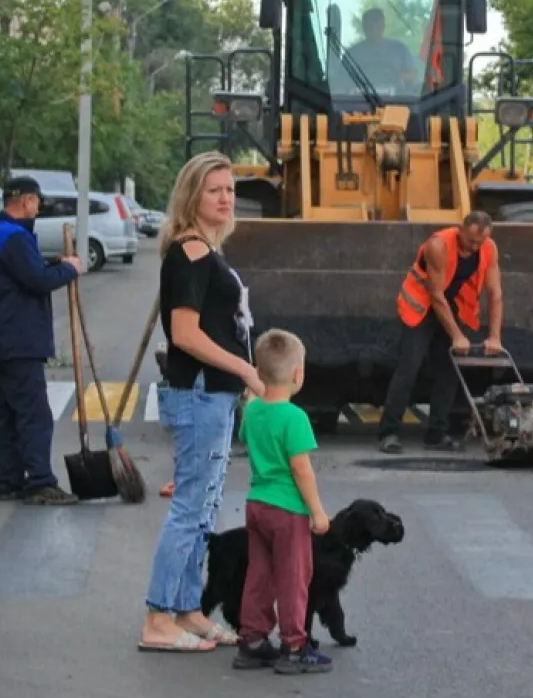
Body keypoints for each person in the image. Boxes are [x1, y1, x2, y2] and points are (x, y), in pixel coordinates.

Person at [139, 151, 266, 655]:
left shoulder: (205, 251)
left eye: (230, 190)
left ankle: (188, 607)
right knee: (191, 507)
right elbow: (186, 335)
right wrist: (246, 370)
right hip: (201, 393)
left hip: (214, 395)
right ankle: (157, 616)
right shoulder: (189, 252)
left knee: (207, 506)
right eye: (215, 189)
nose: (225, 198)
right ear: (192, 195)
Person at [231, 328, 333, 674]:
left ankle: (253, 640)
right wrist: (317, 511)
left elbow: (248, 430)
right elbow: (301, 469)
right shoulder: (295, 418)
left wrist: (253, 393)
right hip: (288, 510)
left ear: (258, 372)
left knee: (259, 574)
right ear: (298, 374)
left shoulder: (254, 412)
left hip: (256, 504)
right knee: (293, 578)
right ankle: (295, 646)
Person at [0, 176, 85, 505]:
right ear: (25, 200)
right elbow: (36, 279)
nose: (38, 208)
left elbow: (29, 269)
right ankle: (40, 480)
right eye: (37, 201)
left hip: (1, 339)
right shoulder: (14, 238)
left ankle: (8, 481)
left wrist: (57, 262)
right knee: (34, 413)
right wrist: (70, 271)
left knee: (8, 413)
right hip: (19, 339)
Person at [375, 210, 504, 454]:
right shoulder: (438, 245)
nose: (474, 247)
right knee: (409, 367)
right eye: (470, 241)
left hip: (451, 303)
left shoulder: (489, 248)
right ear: (461, 230)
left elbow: (495, 293)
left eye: (480, 242)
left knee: (450, 368)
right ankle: (388, 432)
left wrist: (495, 336)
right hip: (421, 306)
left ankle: (436, 434)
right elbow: (435, 295)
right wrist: (456, 335)